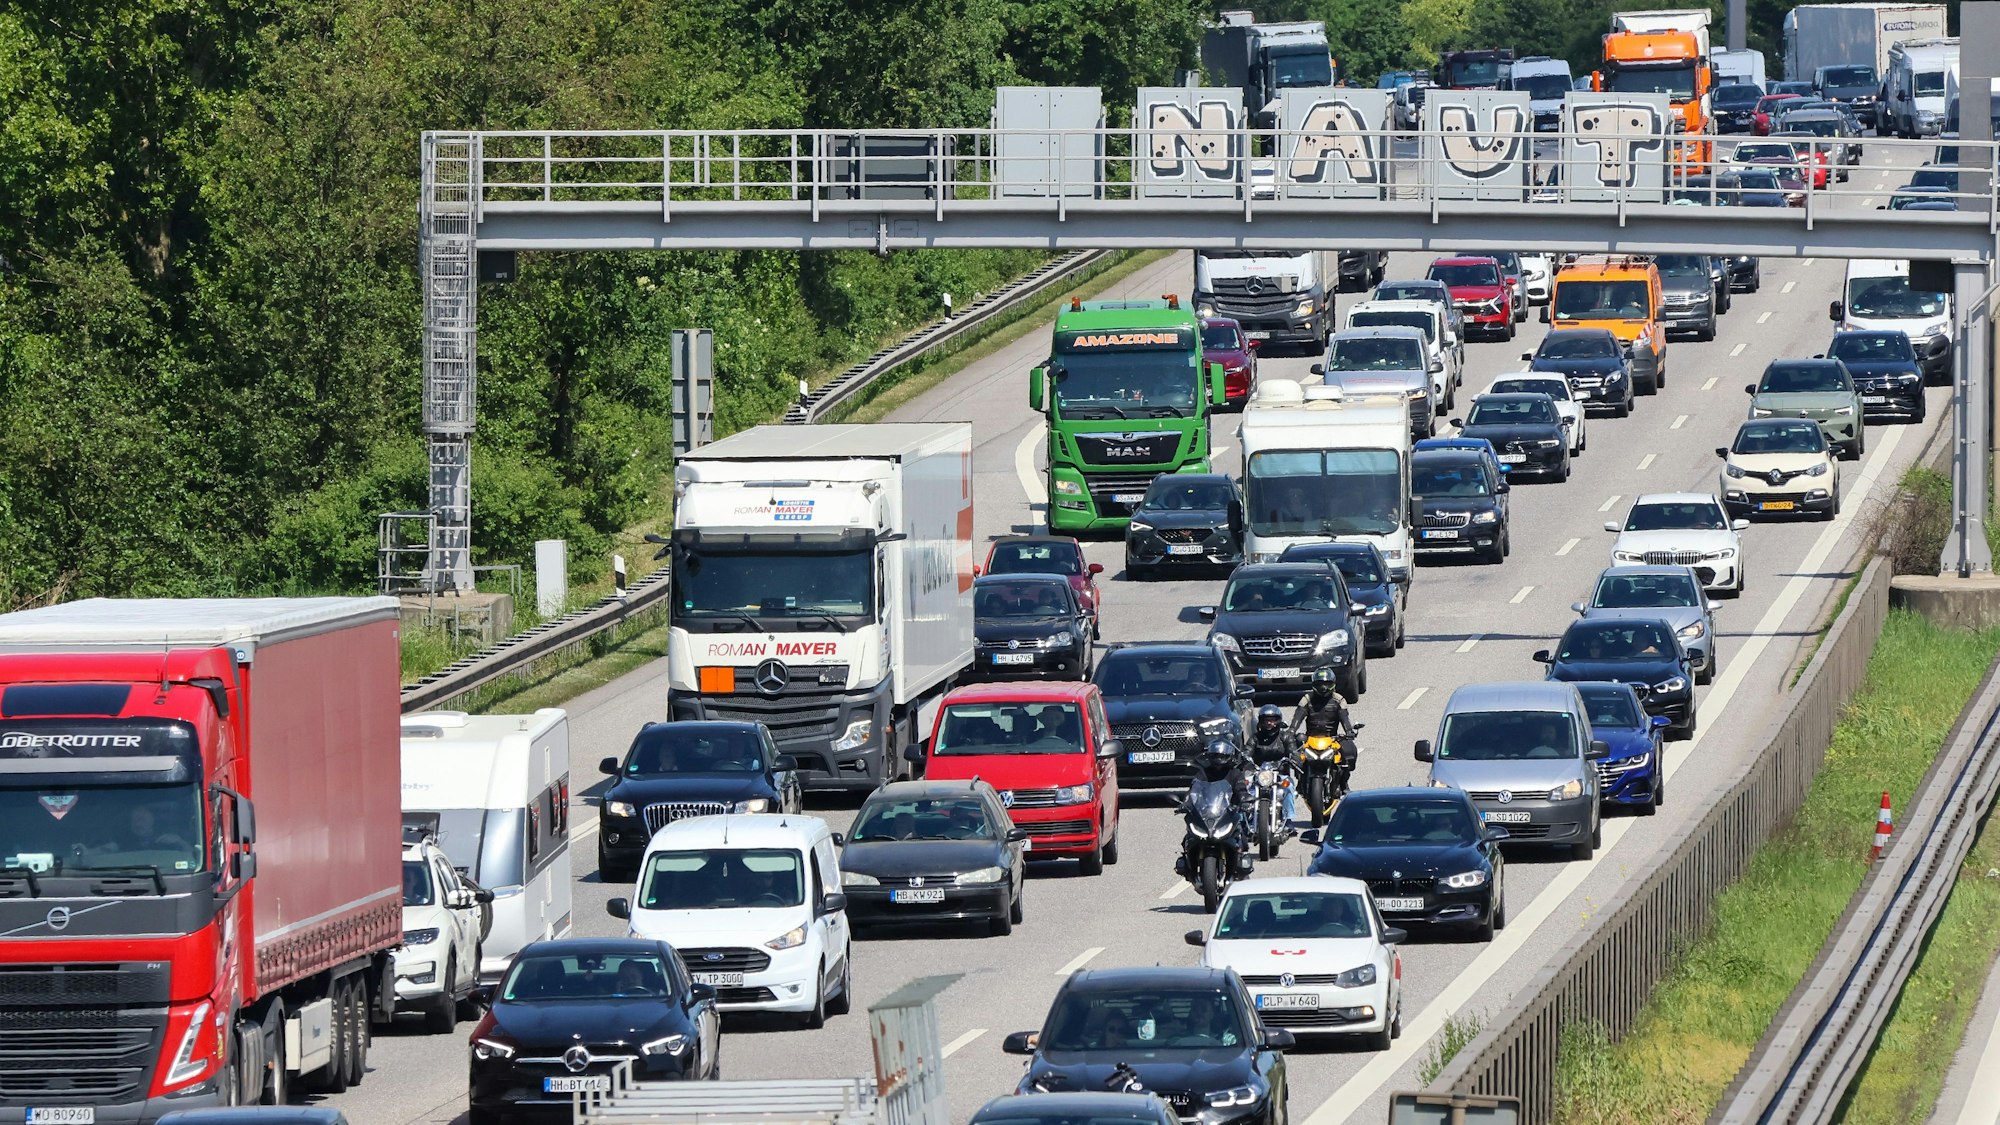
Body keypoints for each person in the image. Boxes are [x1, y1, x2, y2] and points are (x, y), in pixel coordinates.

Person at [1247, 704, 1299, 825]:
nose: (1270, 724)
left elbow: (1293, 751)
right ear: (1261, 722)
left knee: (1288, 787)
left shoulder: (1285, 736)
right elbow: (1247, 750)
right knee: (1245, 788)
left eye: (1273, 720)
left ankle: (1288, 819)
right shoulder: (1255, 738)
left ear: (1278, 721)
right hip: (1259, 773)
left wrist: (1293, 759)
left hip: (1280, 774)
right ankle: (1247, 818)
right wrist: (1244, 758)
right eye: (1267, 721)